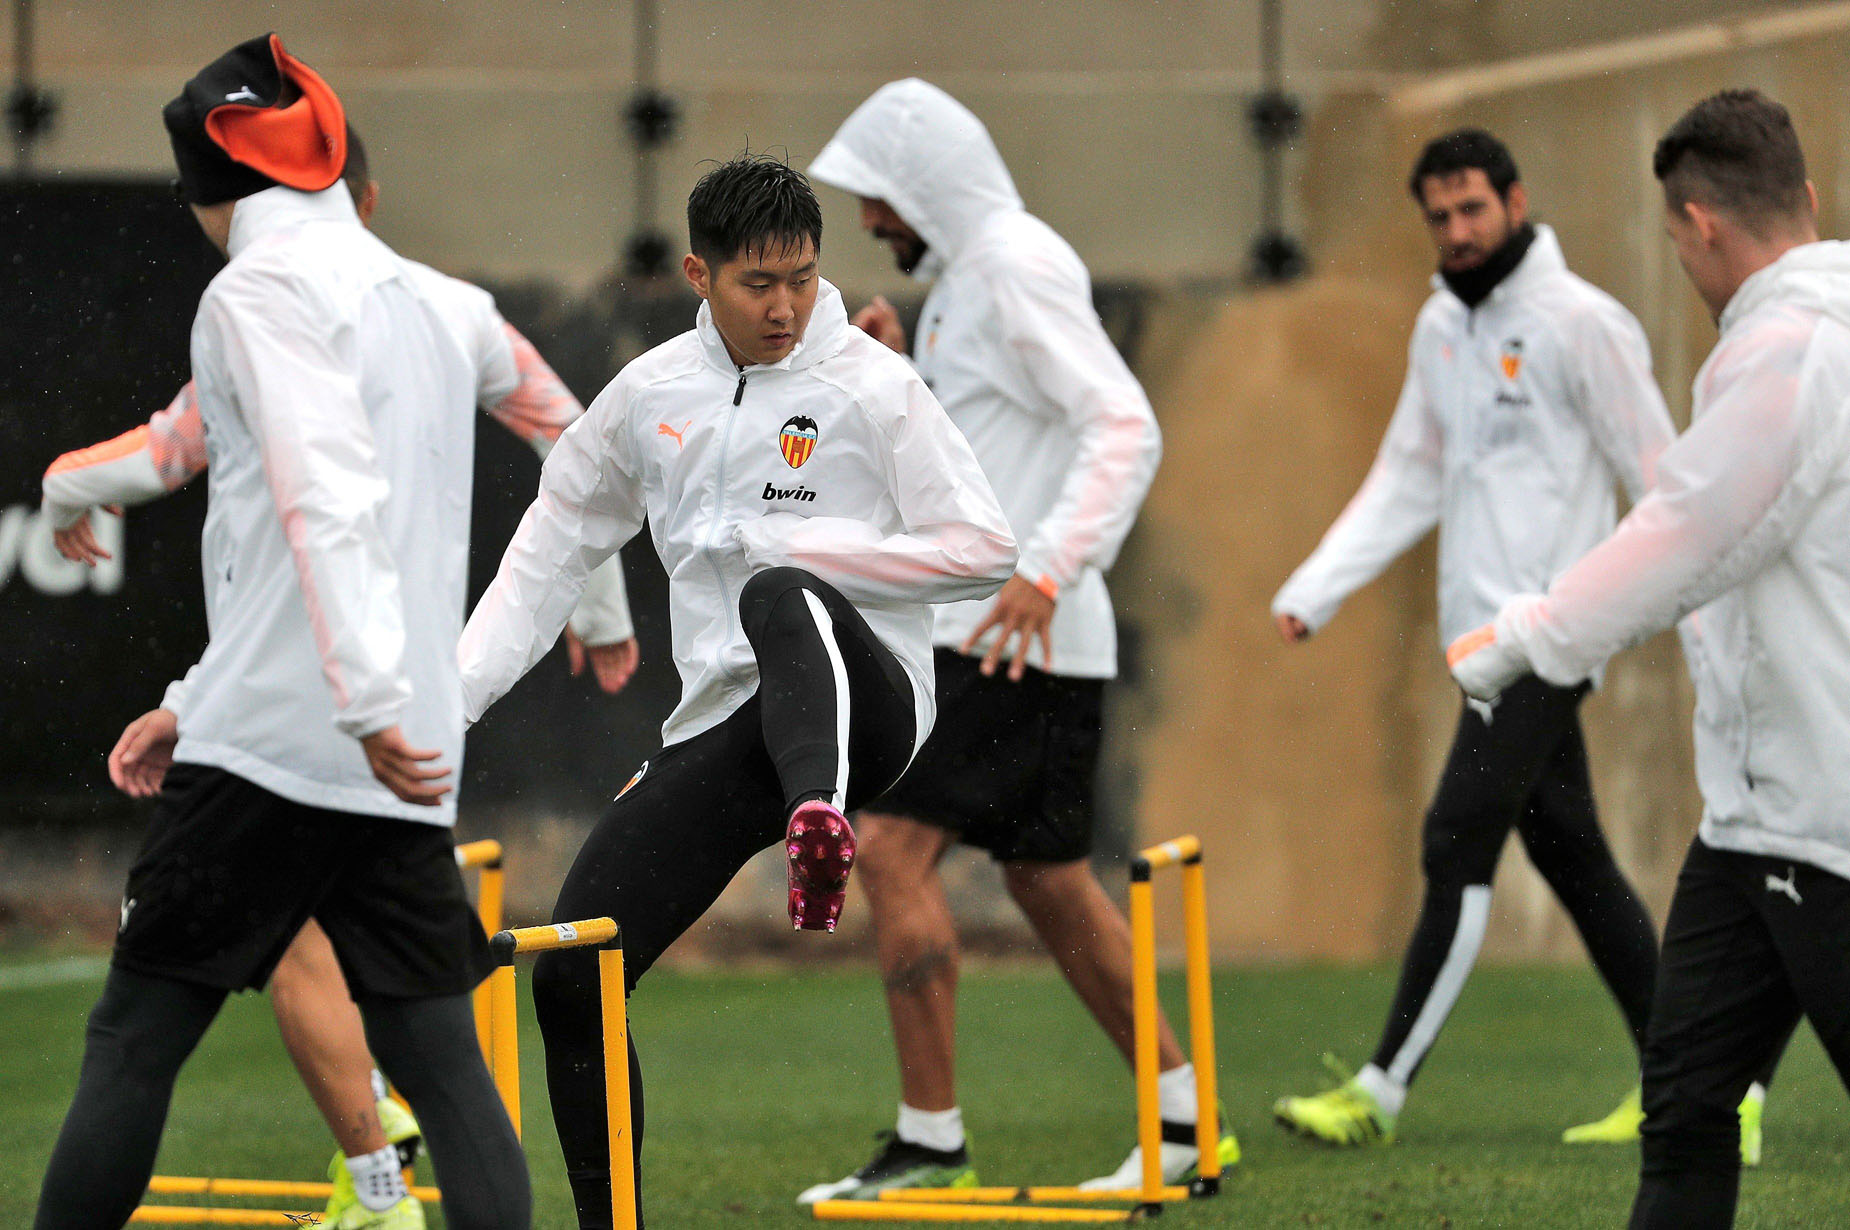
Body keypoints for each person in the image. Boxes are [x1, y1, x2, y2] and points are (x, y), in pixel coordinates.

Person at [41, 122, 636, 1230]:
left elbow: (236, 475)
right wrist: (593, 602)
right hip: (397, 763)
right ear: (361, 190)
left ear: (223, 197)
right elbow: (577, 438)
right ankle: (381, 1184)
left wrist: (69, 489)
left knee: (131, 1044)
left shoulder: (249, 297)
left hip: (278, 745)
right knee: (447, 1068)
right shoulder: (451, 308)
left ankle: (371, 1185)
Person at [456, 153, 1016, 1228]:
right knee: (574, 974)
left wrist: (816, 555)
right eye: (758, 283)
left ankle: (821, 819)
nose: (786, 305)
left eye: (803, 277)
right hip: (724, 732)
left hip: (868, 711)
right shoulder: (648, 395)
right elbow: (548, 552)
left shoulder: (871, 383)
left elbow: (983, 551)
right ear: (696, 273)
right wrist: (452, 704)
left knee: (780, 589)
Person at [794, 78, 1232, 1201]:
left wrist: (1046, 568)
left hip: (1002, 630)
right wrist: (911, 364)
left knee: (888, 852)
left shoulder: (1011, 263)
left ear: (922, 187)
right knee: (1046, 882)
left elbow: (1120, 421)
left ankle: (930, 1141)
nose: (873, 226)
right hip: (1007, 633)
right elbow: (999, 436)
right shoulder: (971, 280)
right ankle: (1183, 1123)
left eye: (880, 202)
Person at [1448, 89, 1850, 1230]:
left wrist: (1514, 642)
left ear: (1696, 227)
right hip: (1749, 827)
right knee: (1680, 1115)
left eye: (1674, 239)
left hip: (1821, 822)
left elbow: (1684, 533)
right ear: (1805, 200)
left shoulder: (1784, 352)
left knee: (1686, 1118)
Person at [1268, 129, 1685, 1148]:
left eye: (1472, 210)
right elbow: (1406, 473)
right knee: (1575, 858)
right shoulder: (1438, 328)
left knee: (1453, 836)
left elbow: (1666, 482)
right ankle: (1703, 1087)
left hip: (1550, 638)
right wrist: (1315, 587)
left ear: (1514, 199)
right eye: (1438, 216)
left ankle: (1379, 1090)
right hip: (1477, 651)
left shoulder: (1583, 323)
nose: (1457, 232)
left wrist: (1662, 613)